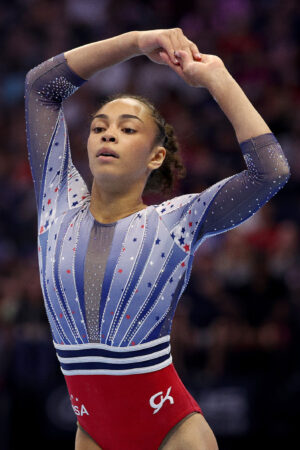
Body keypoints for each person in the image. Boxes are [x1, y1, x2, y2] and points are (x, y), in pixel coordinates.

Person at [24, 28, 290, 450]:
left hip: (173, 432)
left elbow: (271, 172)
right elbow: (41, 87)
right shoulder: (56, 202)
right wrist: (135, 43)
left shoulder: (176, 221)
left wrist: (217, 78)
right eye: (99, 127)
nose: (108, 135)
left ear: (156, 155)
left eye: (127, 129)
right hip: (92, 435)